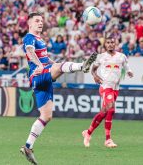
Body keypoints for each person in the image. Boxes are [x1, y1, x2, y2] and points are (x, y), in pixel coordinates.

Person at [20, 12, 97, 164]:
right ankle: (83, 65)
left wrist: (50, 62)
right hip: (38, 74)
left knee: (46, 116)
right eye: (37, 21)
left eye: (41, 21)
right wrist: (42, 65)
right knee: (60, 67)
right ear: (30, 24)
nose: (40, 23)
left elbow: (44, 57)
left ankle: (28, 147)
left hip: (44, 77)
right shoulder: (29, 37)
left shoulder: (40, 39)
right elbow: (29, 52)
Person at [82, 36, 133, 148]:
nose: (110, 44)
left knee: (104, 112)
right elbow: (93, 69)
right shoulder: (101, 57)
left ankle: (88, 132)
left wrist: (129, 71)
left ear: (115, 44)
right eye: (108, 43)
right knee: (111, 109)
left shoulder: (121, 56)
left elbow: (126, 65)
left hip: (115, 88)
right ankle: (108, 139)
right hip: (105, 86)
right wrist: (95, 76)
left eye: (112, 42)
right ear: (105, 45)